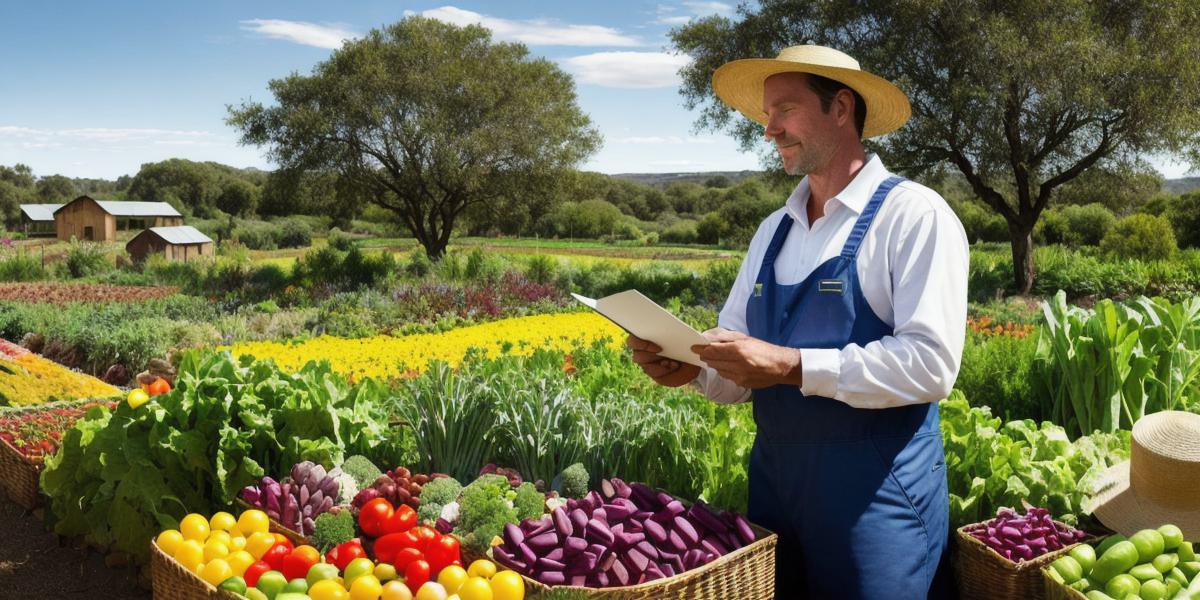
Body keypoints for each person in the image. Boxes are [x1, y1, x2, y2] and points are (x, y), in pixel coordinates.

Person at [628, 45, 968, 599]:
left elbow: (930, 366)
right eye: (766, 114)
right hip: (775, 497)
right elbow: (738, 369)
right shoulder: (772, 231)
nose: (769, 130)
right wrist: (692, 368)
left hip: (878, 501)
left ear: (840, 107)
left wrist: (789, 365)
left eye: (783, 109)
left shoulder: (914, 216)